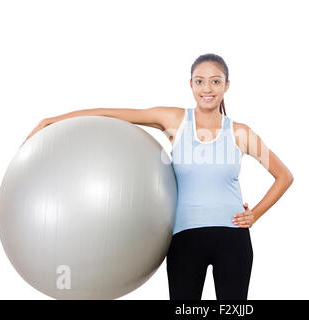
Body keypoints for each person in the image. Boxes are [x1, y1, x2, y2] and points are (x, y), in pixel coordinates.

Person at [21, 53, 294, 300]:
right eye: (200, 82)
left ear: (227, 85)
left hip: (232, 239)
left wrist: (255, 214)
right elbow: (112, 114)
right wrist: (52, 120)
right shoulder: (174, 120)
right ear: (191, 85)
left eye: (215, 81)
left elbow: (283, 176)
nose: (207, 89)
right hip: (185, 238)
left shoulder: (241, 132)